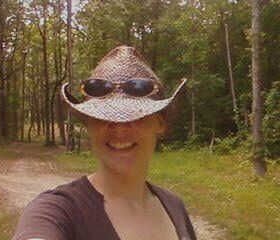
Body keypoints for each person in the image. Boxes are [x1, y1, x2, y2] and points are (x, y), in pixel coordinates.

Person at [13, 46, 197, 240]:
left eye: (136, 116)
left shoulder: (174, 206)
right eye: (103, 117)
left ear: (160, 123)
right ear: (88, 124)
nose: (119, 129)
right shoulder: (57, 211)